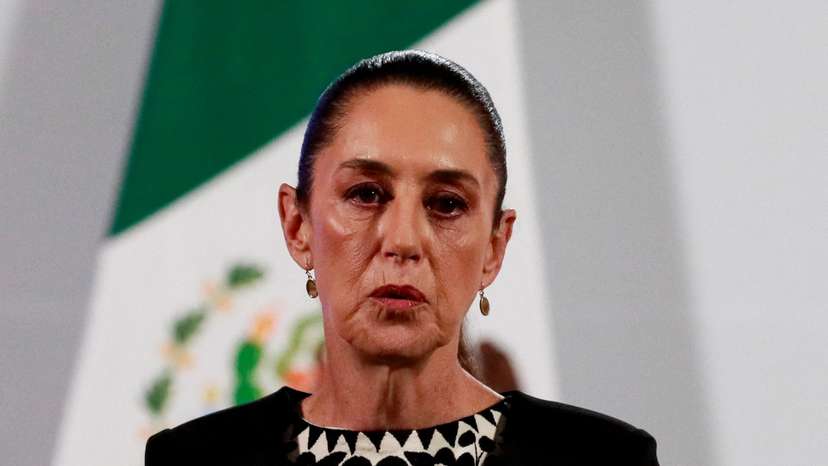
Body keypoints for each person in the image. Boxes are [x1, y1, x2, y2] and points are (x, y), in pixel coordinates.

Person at [145, 50, 659, 466]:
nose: (403, 240)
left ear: (494, 248)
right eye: (367, 194)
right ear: (297, 225)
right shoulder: (192, 461)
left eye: (446, 204)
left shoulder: (603, 460)